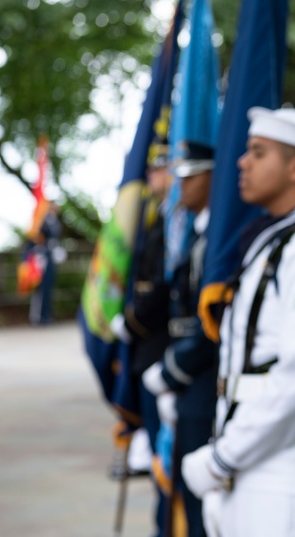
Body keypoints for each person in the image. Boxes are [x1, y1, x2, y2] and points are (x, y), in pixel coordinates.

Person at [181, 107, 295, 537]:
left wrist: (222, 458)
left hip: (288, 482)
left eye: (258, 152)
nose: (242, 161)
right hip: (252, 469)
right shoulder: (285, 235)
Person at [142, 142, 218, 537]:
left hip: (201, 382)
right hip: (186, 375)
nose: (179, 185)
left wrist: (173, 373)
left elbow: (211, 325)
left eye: (189, 177)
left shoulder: (217, 241)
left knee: (196, 504)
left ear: (211, 177)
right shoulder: (200, 234)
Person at [111, 137, 174, 536]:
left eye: (158, 168)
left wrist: (131, 322)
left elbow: (163, 287)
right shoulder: (160, 217)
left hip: (161, 348)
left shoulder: (173, 223)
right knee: (156, 452)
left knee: (164, 454)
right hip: (149, 348)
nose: (150, 175)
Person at [28, 202, 61, 326]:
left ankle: (47, 315)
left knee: (49, 286)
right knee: (40, 288)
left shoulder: (55, 222)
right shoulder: (42, 221)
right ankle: (38, 317)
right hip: (42, 256)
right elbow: (36, 238)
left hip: (51, 256)